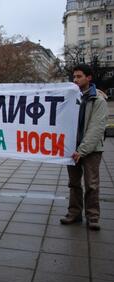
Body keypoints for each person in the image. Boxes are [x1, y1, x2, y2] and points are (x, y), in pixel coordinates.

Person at [60, 64, 108, 231]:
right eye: (74, 77)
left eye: (79, 76)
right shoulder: (70, 98)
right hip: (71, 148)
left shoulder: (98, 100)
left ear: (89, 78)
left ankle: (93, 216)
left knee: (91, 184)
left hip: (91, 150)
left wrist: (82, 151)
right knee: (73, 183)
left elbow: (96, 128)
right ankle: (74, 213)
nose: (75, 80)